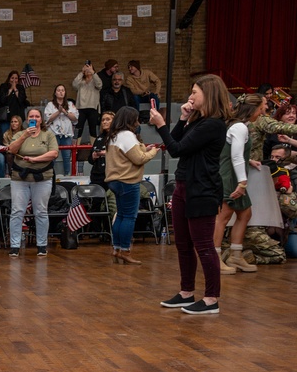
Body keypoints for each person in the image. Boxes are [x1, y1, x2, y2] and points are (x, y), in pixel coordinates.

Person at [150, 74, 231, 315]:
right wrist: (183, 118)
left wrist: (160, 123)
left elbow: (176, 149)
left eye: (195, 92)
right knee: (183, 244)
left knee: (204, 246)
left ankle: (211, 298)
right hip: (184, 186)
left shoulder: (213, 124)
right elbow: (173, 141)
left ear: (209, 94)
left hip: (202, 190)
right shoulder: (198, 121)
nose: (190, 96)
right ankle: (186, 293)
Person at [213, 94, 265, 275]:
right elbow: (234, 155)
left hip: (234, 175)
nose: (263, 111)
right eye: (261, 108)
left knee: (245, 213)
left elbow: (235, 151)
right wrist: (242, 182)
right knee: (223, 216)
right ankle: (214, 258)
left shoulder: (237, 125)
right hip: (229, 178)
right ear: (253, 109)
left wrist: (248, 160)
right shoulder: (239, 127)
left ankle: (235, 254)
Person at [105, 107, 158, 264]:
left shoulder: (113, 136)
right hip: (127, 181)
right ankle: (125, 250)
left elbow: (131, 153)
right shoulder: (127, 135)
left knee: (120, 215)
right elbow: (139, 159)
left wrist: (144, 149)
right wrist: (153, 151)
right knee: (129, 217)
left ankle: (116, 249)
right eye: (135, 119)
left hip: (115, 181)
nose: (137, 122)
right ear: (129, 120)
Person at [7, 108, 58, 257]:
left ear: (41, 120)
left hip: (42, 178)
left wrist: (35, 160)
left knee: (41, 211)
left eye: (37, 116)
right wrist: (24, 135)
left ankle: (42, 245)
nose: (34, 118)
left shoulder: (48, 135)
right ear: (27, 119)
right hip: (20, 179)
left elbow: (54, 153)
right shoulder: (18, 134)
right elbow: (11, 150)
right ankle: (15, 246)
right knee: (17, 211)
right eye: (31, 116)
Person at [44, 84, 79, 176]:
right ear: (55, 93)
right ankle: (51, 175)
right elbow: (47, 119)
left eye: (63, 90)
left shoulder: (70, 104)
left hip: (66, 134)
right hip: (54, 134)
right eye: (58, 90)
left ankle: (67, 175)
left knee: (67, 156)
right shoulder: (50, 105)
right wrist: (58, 112)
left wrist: (64, 111)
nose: (61, 92)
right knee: (53, 155)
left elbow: (75, 118)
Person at [72, 61, 102, 142]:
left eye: (89, 68)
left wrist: (93, 73)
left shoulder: (95, 80)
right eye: (86, 68)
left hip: (93, 108)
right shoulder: (80, 81)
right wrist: (82, 72)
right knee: (78, 128)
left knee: (93, 129)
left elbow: (99, 85)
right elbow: (74, 85)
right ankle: (75, 148)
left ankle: (94, 148)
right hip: (81, 108)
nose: (87, 70)